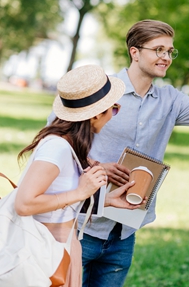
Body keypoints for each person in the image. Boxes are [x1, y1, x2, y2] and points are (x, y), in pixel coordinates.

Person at [45, 17, 189, 286]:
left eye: (170, 51)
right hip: (79, 224)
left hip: (122, 234)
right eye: (158, 50)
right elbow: (53, 141)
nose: (166, 57)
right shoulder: (98, 89)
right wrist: (92, 166)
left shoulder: (170, 100)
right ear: (135, 52)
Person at [15, 65, 143, 286]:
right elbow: (24, 204)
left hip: (60, 247)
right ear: (95, 115)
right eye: (114, 109)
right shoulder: (58, 148)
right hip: (43, 253)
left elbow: (57, 195)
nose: (113, 116)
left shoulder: (71, 147)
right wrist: (80, 191)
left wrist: (105, 200)